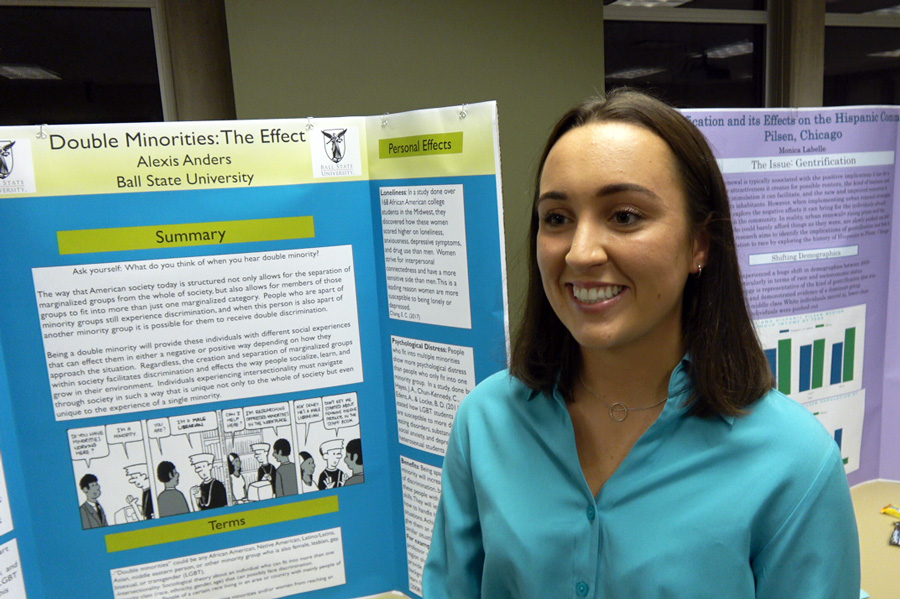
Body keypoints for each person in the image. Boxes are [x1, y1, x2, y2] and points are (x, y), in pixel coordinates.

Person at [423, 88, 860, 598]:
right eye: (557, 218)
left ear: (700, 243)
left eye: (625, 216)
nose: (581, 253)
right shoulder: (486, 423)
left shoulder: (793, 462)